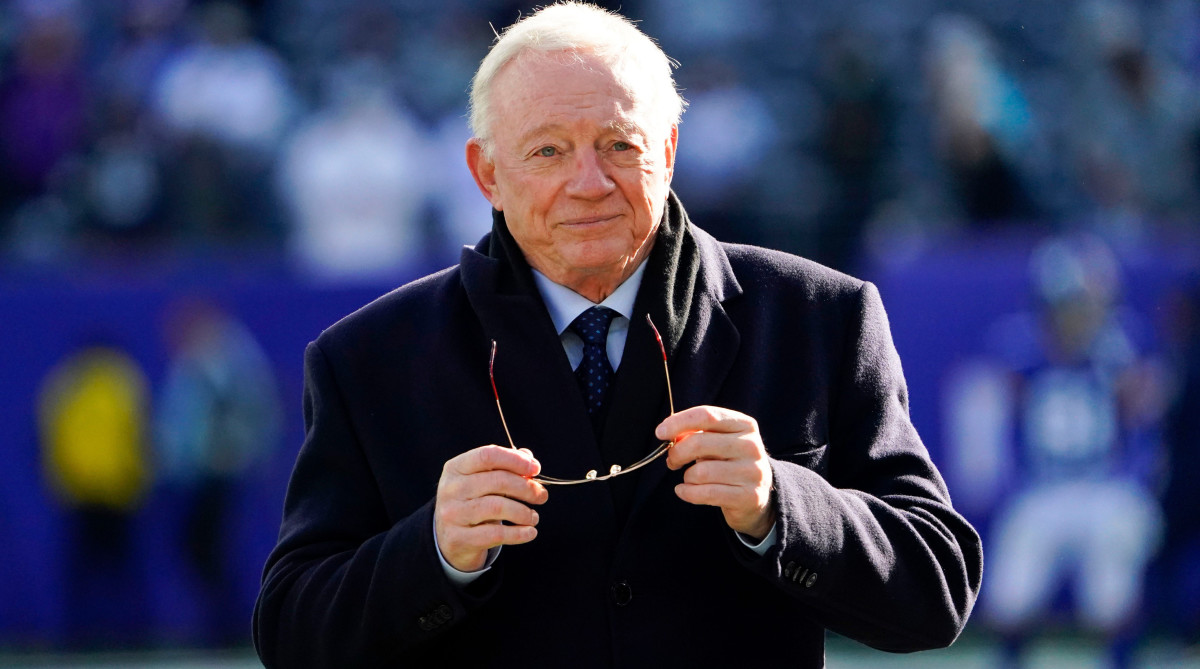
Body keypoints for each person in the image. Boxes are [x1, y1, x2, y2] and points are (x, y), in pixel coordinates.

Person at [253, 3, 982, 666]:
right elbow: (291, 632)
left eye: (619, 145)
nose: (590, 182)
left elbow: (938, 588)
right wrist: (434, 552)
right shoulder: (366, 359)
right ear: (487, 174)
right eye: (547, 152)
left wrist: (781, 506)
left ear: (667, 150)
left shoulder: (820, 315)